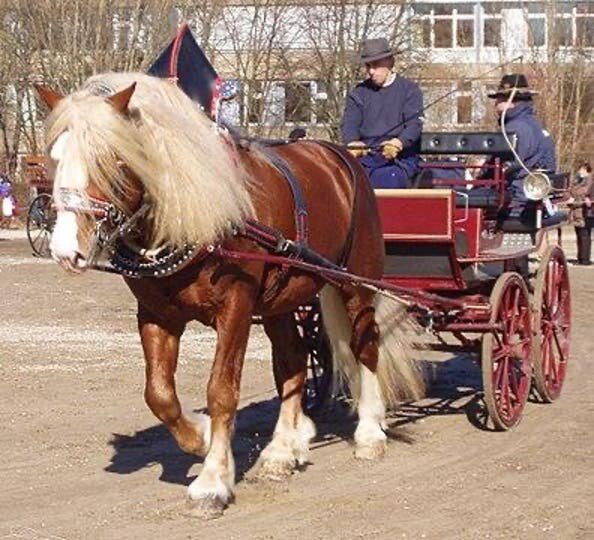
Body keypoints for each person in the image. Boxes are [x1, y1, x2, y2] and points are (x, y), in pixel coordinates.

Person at [341, 37, 423, 189]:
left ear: (390, 63)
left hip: (399, 160)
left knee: (386, 178)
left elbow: (414, 126)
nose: (371, 71)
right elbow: (349, 124)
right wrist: (352, 144)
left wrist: (398, 143)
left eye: (376, 65)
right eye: (368, 66)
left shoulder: (410, 90)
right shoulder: (358, 93)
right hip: (365, 157)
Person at [486, 73, 557, 215]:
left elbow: (506, 165)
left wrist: (480, 176)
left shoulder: (514, 128)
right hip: (532, 192)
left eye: (499, 99)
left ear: (511, 100)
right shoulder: (534, 124)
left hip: (517, 198)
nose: (495, 104)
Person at [568, 162, 593, 265]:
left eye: (581, 170)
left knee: (585, 235)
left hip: (585, 212)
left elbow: (584, 192)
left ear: (586, 170)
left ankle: (585, 259)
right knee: (579, 235)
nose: (579, 172)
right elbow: (570, 190)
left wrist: (574, 197)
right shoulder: (579, 180)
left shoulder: (590, 181)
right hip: (577, 212)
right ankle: (580, 258)